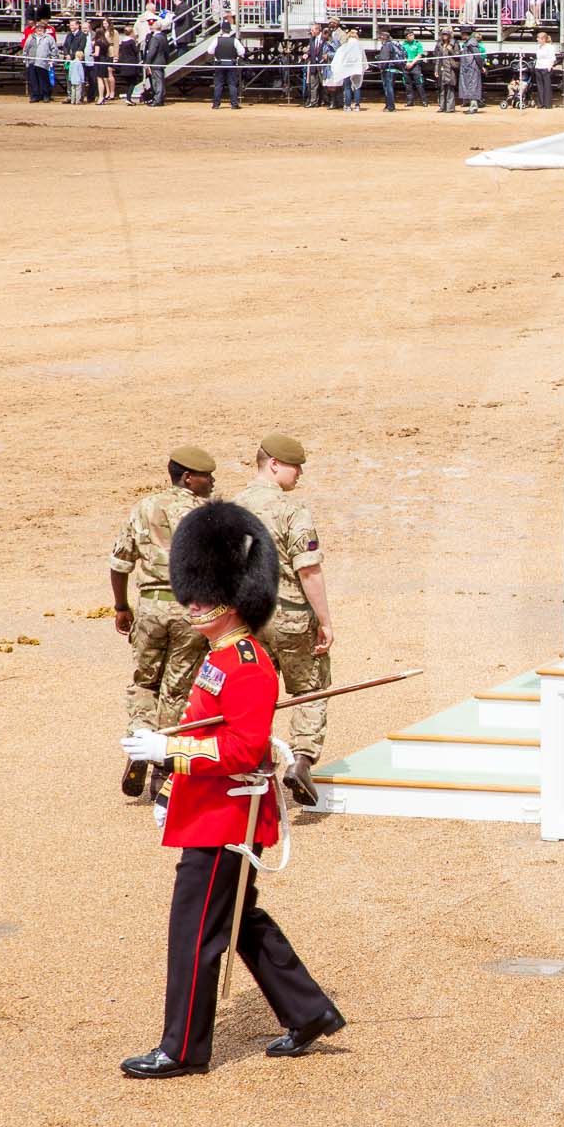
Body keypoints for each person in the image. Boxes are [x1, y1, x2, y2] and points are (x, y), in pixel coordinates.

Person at [116, 501, 344, 1078]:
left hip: (228, 819)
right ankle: (308, 1010)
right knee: (237, 920)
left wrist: (170, 752)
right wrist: (172, 788)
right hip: (210, 809)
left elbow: (242, 750)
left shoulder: (245, 664)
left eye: (203, 592)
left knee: (195, 933)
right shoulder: (221, 656)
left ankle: (183, 1049)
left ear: (232, 596)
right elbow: (213, 727)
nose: (192, 602)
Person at [109, 446, 218, 797]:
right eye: (206, 476)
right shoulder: (207, 515)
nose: (212, 481)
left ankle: (139, 740)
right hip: (190, 610)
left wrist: (121, 606)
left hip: (151, 607)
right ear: (188, 477)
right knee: (177, 687)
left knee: (144, 682)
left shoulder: (143, 507)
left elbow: (120, 563)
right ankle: (162, 765)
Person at [232, 434, 334, 806]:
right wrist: (325, 621)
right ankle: (302, 761)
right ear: (274, 464)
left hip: (249, 618)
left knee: (255, 693)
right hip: (291, 615)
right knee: (311, 687)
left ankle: (256, 762)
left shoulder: (232, 509)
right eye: (295, 466)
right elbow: (309, 571)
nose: (300, 473)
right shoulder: (293, 510)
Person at [210, 21, 242, 109]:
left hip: (219, 63)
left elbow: (210, 51)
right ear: (230, 30)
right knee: (232, 84)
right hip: (231, 63)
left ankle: (216, 104)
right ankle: (234, 104)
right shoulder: (234, 40)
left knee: (219, 84)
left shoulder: (217, 39)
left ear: (222, 30)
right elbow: (242, 51)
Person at [377, 31, 402, 111]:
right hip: (394, 69)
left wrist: (381, 67)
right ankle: (388, 105)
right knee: (389, 87)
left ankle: (390, 106)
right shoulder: (392, 45)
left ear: (383, 38)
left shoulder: (386, 46)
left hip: (388, 69)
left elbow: (384, 58)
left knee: (388, 88)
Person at [533, 30, 556, 108]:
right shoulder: (539, 47)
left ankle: (547, 104)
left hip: (546, 68)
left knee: (547, 86)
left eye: (538, 38)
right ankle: (540, 103)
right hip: (538, 67)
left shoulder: (550, 47)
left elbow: (552, 58)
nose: (537, 39)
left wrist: (550, 66)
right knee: (540, 86)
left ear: (543, 39)